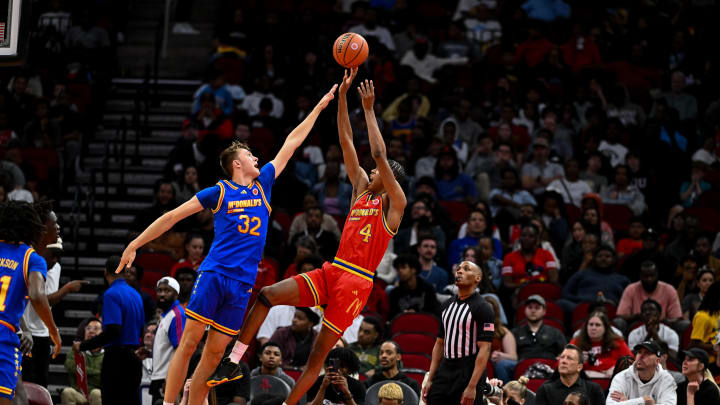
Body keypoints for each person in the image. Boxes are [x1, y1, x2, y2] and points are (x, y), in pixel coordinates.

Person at [116, 84, 338, 405]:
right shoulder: (218, 192)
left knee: (216, 353)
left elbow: (292, 142)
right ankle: (167, 403)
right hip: (215, 273)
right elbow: (172, 216)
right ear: (237, 163)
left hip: (242, 283)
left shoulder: (264, 185)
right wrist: (135, 243)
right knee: (190, 342)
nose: (257, 157)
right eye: (250, 154)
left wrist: (318, 107)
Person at [209, 74, 406, 405]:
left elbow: (380, 153)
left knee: (317, 356)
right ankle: (233, 360)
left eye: (377, 172)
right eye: (371, 169)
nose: (371, 170)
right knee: (268, 295)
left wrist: (369, 111)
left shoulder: (393, 205)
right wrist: (343, 97)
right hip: (333, 270)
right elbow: (346, 140)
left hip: (356, 283)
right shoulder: (360, 189)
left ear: (388, 180)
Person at [0, 201, 61, 404]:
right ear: (38, 227)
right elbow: (36, 296)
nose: (58, 227)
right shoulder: (31, 258)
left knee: (19, 394)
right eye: (55, 223)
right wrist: (53, 331)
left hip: (11, 330)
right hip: (4, 336)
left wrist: (22, 329)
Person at [22, 218, 88, 387]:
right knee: (23, 383)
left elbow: (46, 301)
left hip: (42, 334)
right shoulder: (30, 260)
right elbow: (42, 299)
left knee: (40, 384)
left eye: (58, 256)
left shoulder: (54, 267)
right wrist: (67, 289)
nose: (55, 260)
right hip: (25, 332)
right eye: (52, 255)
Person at [74, 255, 144, 405]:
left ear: (105, 272)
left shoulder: (111, 294)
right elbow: (141, 328)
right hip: (134, 359)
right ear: (125, 271)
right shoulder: (136, 295)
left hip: (116, 360)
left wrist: (83, 345)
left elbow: (113, 331)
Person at [424, 261, 495, 405]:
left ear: (477, 278)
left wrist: (472, 386)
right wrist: (430, 379)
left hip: (468, 370)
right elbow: (439, 343)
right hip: (445, 368)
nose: (459, 271)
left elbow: (485, 349)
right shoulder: (446, 305)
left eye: (466, 269)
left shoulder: (484, 307)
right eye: (458, 269)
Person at [615, 261, 684, 334]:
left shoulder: (669, 289)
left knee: (683, 324)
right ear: (640, 276)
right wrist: (639, 316)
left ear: (657, 275)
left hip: (663, 327)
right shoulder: (630, 289)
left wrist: (659, 319)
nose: (649, 279)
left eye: (652, 276)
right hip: (636, 327)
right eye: (646, 276)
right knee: (619, 322)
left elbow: (677, 317)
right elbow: (621, 315)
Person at [558, 245, 630, 314]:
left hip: (612, 311)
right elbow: (566, 293)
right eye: (600, 256)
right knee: (562, 303)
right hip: (583, 309)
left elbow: (629, 300)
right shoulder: (582, 274)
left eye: (607, 256)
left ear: (614, 259)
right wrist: (581, 300)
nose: (603, 259)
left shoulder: (622, 279)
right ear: (594, 258)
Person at [150, 277, 187, 405]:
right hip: (159, 377)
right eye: (159, 290)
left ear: (176, 294)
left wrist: (172, 380)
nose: (162, 294)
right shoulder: (166, 314)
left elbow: (181, 351)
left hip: (167, 379)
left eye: (167, 291)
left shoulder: (177, 315)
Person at [606, 340, 677, 405]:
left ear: (657, 361)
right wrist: (642, 401)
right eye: (639, 352)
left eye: (647, 353)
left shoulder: (667, 379)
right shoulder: (622, 377)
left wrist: (627, 402)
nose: (641, 356)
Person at [533, 345, 605, 405]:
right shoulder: (545, 389)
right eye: (562, 357)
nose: (563, 361)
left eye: (569, 358)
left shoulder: (594, 389)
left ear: (579, 367)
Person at [569, 311, 633, 378]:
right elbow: (562, 363)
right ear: (586, 327)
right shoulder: (576, 342)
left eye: (597, 325)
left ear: (605, 327)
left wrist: (616, 369)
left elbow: (631, 363)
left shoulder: (617, 342)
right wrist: (577, 361)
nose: (593, 328)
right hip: (584, 382)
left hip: (612, 382)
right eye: (591, 324)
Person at [501, 223, 559, 291]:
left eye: (531, 236)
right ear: (519, 238)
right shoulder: (509, 257)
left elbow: (553, 278)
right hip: (520, 292)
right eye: (523, 235)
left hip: (543, 290)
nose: (526, 238)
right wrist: (523, 286)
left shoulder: (546, 254)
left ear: (537, 239)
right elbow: (507, 283)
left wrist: (538, 284)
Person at [62, 318, 103, 405]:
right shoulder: (75, 351)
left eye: (96, 329)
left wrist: (83, 372)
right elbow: (71, 368)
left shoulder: (107, 355)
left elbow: (105, 378)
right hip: (79, 394)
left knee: (96, 393)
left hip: (99, 394)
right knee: (67, 392)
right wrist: (98, 373)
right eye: (88, 328)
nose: (91, 331)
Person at [512, 295, 566, 361]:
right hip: (522, 367)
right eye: (530, 307)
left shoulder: (555, 333)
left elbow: (564, 353)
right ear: (525, 310)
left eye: (537, 308)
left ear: (544, 311)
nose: (533, 311)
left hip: (549, 367)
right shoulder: (515, 333)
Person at [689, 282, 720, 362]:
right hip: (707, 362)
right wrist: (714, 347)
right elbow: (695, 344)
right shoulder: (702, 316)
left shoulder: (718, 313)